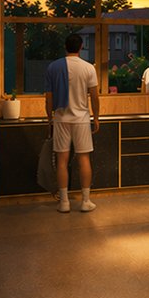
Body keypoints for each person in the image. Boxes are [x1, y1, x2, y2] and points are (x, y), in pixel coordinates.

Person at [45, 33, 101, 214]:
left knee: (62, 161)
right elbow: (94, 96)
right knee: (84, 158)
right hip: (82, 119)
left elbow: (49, 98)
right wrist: (96, 117)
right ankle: (85, 201)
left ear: (65, 47)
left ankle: (64, 202)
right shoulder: (88, 68)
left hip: (61, 119)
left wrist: (49, 119)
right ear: (81, 47)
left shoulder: (53, 67)